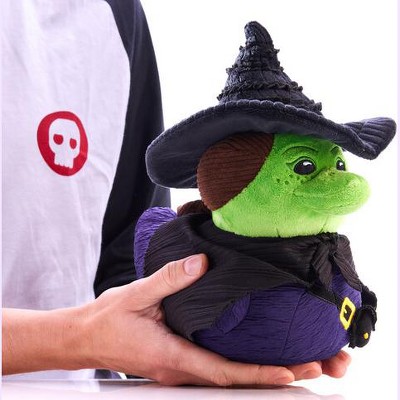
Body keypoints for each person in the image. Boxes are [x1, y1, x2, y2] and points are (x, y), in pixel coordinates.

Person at [2, 0, 351, 384]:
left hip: (83, 389)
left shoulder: (112, 12)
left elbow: (125, 258)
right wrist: (83, 338)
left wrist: (195, 337)